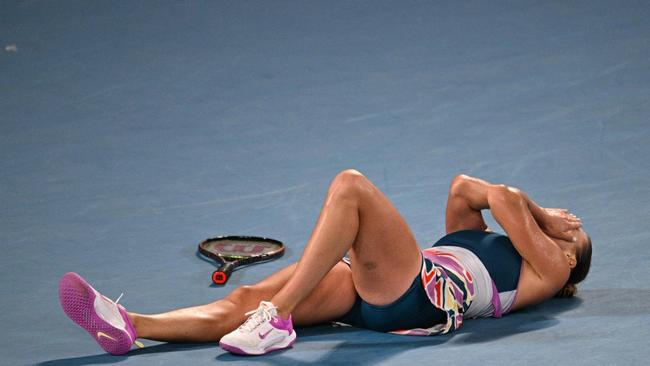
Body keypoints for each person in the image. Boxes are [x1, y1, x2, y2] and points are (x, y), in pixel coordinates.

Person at [59, 170, 592, 356]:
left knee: (352, 187)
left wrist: (545, 217)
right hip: (383, 287)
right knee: (245, 300)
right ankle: (132, 327)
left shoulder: (552, 269)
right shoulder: (490, 243)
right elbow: (464, 189)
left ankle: (280, 317)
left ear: (572, 257)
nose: (570, 221)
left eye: (577, 229)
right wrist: (538, 215)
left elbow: (501, 195)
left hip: (420, 295)